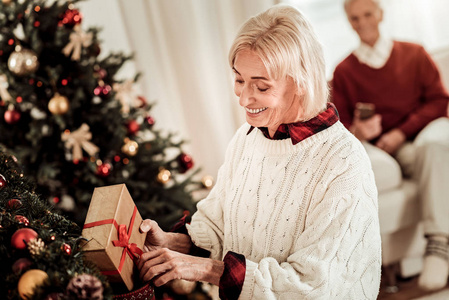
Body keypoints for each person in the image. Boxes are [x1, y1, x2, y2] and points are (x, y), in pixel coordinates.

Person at [137, 4, 381, 299]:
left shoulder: (343, 162)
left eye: (261, 87)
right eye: (239, 80)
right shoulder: (248, 137)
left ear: (300, 82)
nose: (243, 98)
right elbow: (217, 223)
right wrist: (171, 243)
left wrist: (204, 269)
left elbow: (313, 285)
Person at [331, 0, 449, 292]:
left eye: (367, 14)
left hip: (427, 132)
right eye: (354, 18)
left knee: (433, 148)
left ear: (381, 14)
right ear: (348, 21)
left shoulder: (414, 53)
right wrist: (359, 130)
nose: (362, 23)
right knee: (426, 156)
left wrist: (400, 132)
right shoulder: (344, 72)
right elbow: (341, 127)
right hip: (397, 151)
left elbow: (439, 100)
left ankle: (438, 243)